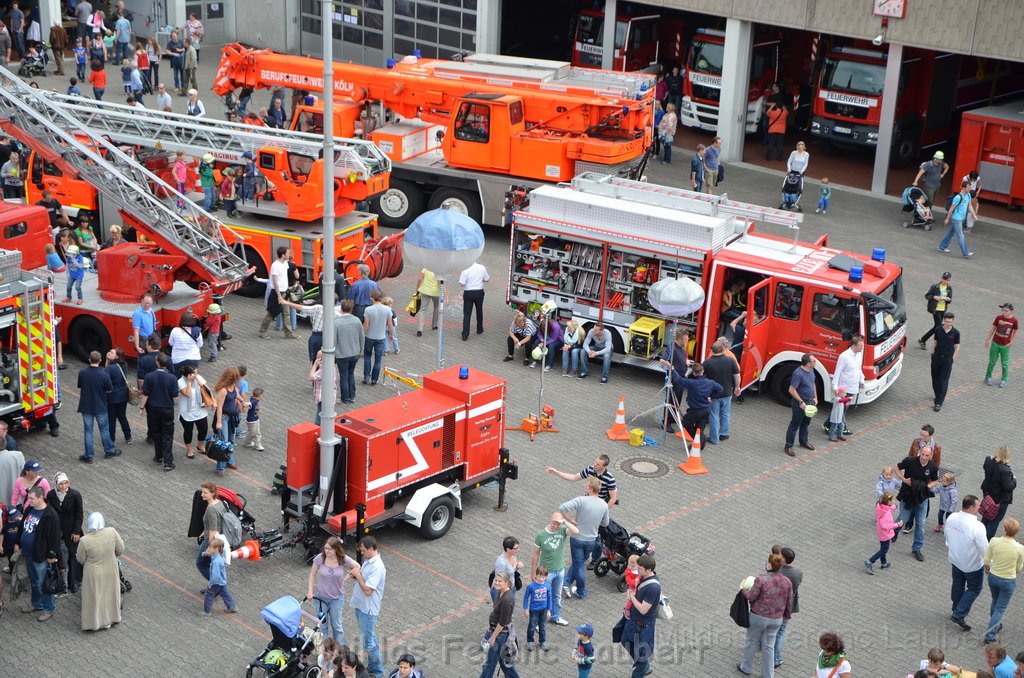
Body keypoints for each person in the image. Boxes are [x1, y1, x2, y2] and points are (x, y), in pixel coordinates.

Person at [738, 552, 792, 678]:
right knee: (769, 646)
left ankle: (745, 667)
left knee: (751, 641)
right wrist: (786, 617)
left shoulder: (761, 579)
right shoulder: (787, 582)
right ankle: (768, 674)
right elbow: (789, 602)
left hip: (758, 617)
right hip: (776, 619)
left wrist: (742, 589)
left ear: (769, 564)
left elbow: (751, 596)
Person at [558, 477, 610, 600]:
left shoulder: (581, 500)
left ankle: (580, 590)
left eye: (586, 485)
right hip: (591, 540)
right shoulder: (603, 505)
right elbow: (605, 523)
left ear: (591, 488)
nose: (584, 486)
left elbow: (562, 507)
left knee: (578, 565)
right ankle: (566, 583)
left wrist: (570, 519)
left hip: (577, 538)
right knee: (579, 562)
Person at [17, 486, 61, 622]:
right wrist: (18, 542)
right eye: (28, 497)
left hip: (41, 556)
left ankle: (49, 609)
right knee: (34, 581)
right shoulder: (30, 509)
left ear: (41, 497)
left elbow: (55, 538)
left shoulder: (51, 516)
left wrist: (51, 556)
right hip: (28, 553)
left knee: (44, 583)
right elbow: (22, 526)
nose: (28, 500)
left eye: (31, 498)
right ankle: (36, 604)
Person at [945, 495, 988, 630]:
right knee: (975, 588)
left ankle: (955, 609)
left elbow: (947, 534)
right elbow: (984, 548)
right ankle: (959, 613)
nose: (979, 508)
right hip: (971, 565)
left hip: (955, 559)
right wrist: (988, 563)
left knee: (958, 584)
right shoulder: (978, 526)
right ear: (971, 508)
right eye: (977, 506)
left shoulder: (952, 518)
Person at [76, 511, 124, 630]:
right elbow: (120, 550)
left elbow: (80, 558)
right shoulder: (111, 532)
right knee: (110, 594)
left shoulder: (85, 540)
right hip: (110, 569)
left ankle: (95, 623)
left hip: (93, 573)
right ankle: (112, 618)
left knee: (94, 597)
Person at [307, 536, 359, 645]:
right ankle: (325, 650)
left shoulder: (343, 559)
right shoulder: (320, 558)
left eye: (330, 549)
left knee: (337, 626)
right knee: (323, 626)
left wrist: (347, 577)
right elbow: (312, 575)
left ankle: (340, 650)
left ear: (336, 549)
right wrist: (310, 592)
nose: (327, 551)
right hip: (320, 598)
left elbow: (357, 566)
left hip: (337, 599)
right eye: (325, 548)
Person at [616, 553, 660, 678]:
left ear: (649, 570)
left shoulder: (653, 588)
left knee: (641, 655)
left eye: (640, 569)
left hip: (643, 626)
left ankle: (641, 668)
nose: (637, 570)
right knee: (625, 641)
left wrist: (632, 597)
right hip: (633, 621)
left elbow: (643, 609)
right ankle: (644, 666)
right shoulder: (642, 577)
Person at [531, 511, 576, 628]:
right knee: (542, 597)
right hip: (546, 572)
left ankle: (555, 617)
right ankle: (537, 622)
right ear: (550, 520)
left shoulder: (562, 530)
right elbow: (535, 554)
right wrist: (533, 571)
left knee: (557, 596)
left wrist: (565, 522)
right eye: (554, 523)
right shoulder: (541, 535)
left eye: (558, 524)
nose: (556, 526)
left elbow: (576, 531)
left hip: (560, 570)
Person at [895, 444, 940, 561]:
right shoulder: (909, 461)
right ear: (919, 452)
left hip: (922, 497)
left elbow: (935, 480)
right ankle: (894, 531)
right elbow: (896, 468)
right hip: (907, 495)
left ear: (931, 455)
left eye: (927, 455)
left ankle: (917, 548)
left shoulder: (933, 467)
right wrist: (903, 479)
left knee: (921, 524)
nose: (924, 457)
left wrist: (926, 487)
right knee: (902, 519)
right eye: (923, 454)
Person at [983, 517, 1024, 645]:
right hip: (1008, 580)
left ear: (1004, 529)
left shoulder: (994, 541)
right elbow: (1019, 567)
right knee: (1000, 608)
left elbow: (986, 560)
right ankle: (990, 635)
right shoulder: (1019, 548)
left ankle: (995, 624)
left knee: (995, 601)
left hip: (993, 577)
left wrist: (987, 569)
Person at [350, 535, 386, 678]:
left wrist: (358, 575)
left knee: (369, 643)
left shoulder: (378, 567)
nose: (362, 553)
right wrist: (356, 576)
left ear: (371, 549)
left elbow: (368, 590)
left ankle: (377, 672)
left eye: (364, 551)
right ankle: (374, 667)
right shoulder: (369, 560)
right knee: (370, 638)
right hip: (361, 606)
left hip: (368, 609)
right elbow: (364, 579)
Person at [45, 472, 84, 595]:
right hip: (58, 530)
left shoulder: (75, 495)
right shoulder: (51, 495)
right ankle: (61, 582)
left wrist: (76, 531)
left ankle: (74, 582)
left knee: (73, 555)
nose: (64, 486)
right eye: (61, 484)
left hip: (72, 530)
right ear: (56, 484)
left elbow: (79, 513)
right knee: (61, 555)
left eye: (66, 483)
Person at [77, 350, 120, 463]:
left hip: (86, 406)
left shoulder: (82, 372)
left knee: (88, 431)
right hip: (100, 406)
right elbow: (109, 389)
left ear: (89, 360)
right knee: (104, 430)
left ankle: (89, 456)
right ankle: (109, 450)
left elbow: (80, 386)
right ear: (100, 360)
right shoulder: (104, 374)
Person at [140, 352, 179, 471]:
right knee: (167, 435)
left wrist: (141, 408)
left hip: (153, 409)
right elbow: (175, 396)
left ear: (157, 362)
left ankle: (158, 456)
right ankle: (168, 462)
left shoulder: (149, 376)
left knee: (156, 433)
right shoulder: (172, 378)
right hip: (167, 409)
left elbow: (145, 394)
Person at [479, 571, 520, 678]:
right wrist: (490, 624)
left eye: (500, 581)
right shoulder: (500, 592)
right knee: (505, 663)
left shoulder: (507, 600)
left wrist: (493, 637)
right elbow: (497, 612)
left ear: (507, 582)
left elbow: (502, 622)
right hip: (498, 632)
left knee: (489, 664)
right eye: (496, 580)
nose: (496, 583)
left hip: (500, 635)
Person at [702, 340, 740, 444]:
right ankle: (724, 433)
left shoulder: (708, 362)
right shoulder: (730, 360)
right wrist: (737, 387)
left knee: (714, 415)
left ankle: (714, 438)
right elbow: (737, 375)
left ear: (712, 350)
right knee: (725, 413)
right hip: (727, 393)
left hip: (714, 395)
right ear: (723, 349)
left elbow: (700, 375)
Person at [830, 335, 864, 437]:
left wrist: (861, 380)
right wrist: (835, 387)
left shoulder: (859, 354)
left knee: (842, 410)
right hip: (845, 388)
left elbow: (859, 369)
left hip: (853, 387)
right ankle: (837, 428)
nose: (862, 348)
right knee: (841, 410)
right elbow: (838, 372)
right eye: (860, 346)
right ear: (854, 345)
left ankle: (834, 426)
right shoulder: (844, 356)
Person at [981, 445, 1016, 541]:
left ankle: (979, 537)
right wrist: (1014, 480)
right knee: (994, 520)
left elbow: (985, 468)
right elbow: (1008, 487)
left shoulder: (988, 460)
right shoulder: (1005, 470)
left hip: (988, 495)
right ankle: (987, 541)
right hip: (999, 500)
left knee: (986, 517)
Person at [212, 367, 242, 476]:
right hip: (223, 418)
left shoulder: (233, 386)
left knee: (231, 441)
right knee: (224, 443)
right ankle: (220, 468)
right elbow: (219, 407)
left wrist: (243, 401)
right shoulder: (223, 390)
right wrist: (219, 422)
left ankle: (230, 461)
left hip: (232, 418)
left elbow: (236, 395)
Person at [334, 299, 365, 404]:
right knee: (351, 374)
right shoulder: (357, 320)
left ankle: (345, 398)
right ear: (351, 309)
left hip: (341, 354)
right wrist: (361, 349)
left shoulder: (336, 322)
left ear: (341, 308)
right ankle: (352, 396)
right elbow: (362, 336)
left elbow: (333, 340)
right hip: (354, 353)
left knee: (343, 376)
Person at [928, 312, 960, 412]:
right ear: (944, 320)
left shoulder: (955, 333)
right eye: (946, 321)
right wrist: (932, 354)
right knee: (935, 378)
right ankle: (938, 395)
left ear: (953, 321)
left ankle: (938, 402)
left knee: (943, 380)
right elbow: (935, 342)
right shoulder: (938, 330)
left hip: (947, 360)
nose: (947, 323)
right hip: (937, 358)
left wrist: (953, 358)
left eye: (950, 322)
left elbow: (957, 346)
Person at [177, 364, 209, 460]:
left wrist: (197, 379)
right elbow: (188, 394)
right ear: (187, 375)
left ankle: (200, 445)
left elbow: (206, 389)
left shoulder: (198, 377)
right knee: (188, 432)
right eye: (193, 373)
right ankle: (189, 449)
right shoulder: (180, 382)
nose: (195, 374)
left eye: (196, 372)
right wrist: (190, 383)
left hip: (200, 410)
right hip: (187, 412)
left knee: (203, 429)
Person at [938, 180, 977, 258]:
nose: (970, 189)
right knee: (960, 236)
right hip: (957, 218)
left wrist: (974, 214)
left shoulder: (968, 195)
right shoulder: (958, 197)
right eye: (969, 188)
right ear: (963, 188)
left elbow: (969, 206)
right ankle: (966, 253)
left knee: (951, 233)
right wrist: (947, 219)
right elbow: (951, 209)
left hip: (961, 218)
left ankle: (942, 247)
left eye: (970, 187)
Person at [865, 492, 902, 574]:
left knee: (883, 548)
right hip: (885, 534)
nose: (894, 501)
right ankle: (870, 561)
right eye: (893, 500)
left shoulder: (882, 507)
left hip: (883, 533)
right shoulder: (884, 514)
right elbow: (885, 526)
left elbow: (889, 509)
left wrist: (894, 507)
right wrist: (897, 524)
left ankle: (884, 563)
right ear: (888, 502)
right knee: (884, 550)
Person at [362, 290, 392, 385]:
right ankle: (374, 379)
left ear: (373, 298)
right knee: (378, 359)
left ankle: (366, 376)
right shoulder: (387, 309)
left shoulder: (368, 309)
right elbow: (390, 324)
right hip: (381, 337)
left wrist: (363, 335)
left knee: (367, 357)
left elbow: (366, 325)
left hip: (369, 337)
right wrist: (392, 335)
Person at [202, 537, 238, 615]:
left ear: (216, 548)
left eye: (210, 547)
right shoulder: (218, 556)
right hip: (222, 581)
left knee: (209, 595)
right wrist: (205, 553)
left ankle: (207, 611)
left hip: (216, 583)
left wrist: (210, 584)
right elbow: (210, 555)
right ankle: (232, 606)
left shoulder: (215, 561)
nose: (208, 548)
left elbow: (215, 575)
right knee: (225, 593)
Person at [985, 303, 1017, 388]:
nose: (1004, 312)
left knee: (1005, 364)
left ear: (1011, 311)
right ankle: (988, 377)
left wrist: (1012, 342)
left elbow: (1016, 331)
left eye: (1006, 311)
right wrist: (988, 339)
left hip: (1005, 346)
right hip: (995, 343)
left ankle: (1004, 380)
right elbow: (993, 328)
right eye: (1003, 310)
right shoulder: (999, 318)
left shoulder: (1014, 321)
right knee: (992, 362)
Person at [919, 272, 953, 349]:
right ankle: (937, 344)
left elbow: (950, 300)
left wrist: (948, 299)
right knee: (939, 326)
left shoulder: (949, 288)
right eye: (944, 279)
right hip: (935, 309)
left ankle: (923, 339)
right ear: (941, 278)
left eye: (947, 280)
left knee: (936, 327)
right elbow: (927, 296)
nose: (945, 281)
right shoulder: (935, 286)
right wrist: (934, 297)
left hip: (943, 309)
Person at [522, 565, 551, 652]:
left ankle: (542, 641)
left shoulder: (547, 586)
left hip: (543, 610)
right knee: (532, 626)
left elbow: (549, 598)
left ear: (546, 577)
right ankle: (530, 641)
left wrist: (549, 610)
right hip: (534, 610)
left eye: (543, 577)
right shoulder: (531, 586)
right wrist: (526, 609)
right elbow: (526, 598)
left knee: (542, 626)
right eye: (539, 576)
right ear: (536, 575)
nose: (541, 579)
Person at [459, 261, 489, 341]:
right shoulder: (482, 267)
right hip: (479, 292)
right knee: (479, 311)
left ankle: (465, 334)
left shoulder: (465, 269)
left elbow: (462, 283)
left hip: (468, 292)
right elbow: (487, 279)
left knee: (467, 314)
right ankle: (479, 329)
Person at [168, 313, 203, 377]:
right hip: (194, 358)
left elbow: (171, 343)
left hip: (178, 359)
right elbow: (200, 345)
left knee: (178, 379)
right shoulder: (197, 332)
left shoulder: (174, 331)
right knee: (192, 377)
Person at [414, 268, 442, 337]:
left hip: (425, 291)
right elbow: (441, 282)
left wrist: (417, 290)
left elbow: (420, 279)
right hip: (435, 292)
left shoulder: (425, 268)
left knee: (423, 310)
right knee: (436, 307)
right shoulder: (439, 270)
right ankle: (434, 325)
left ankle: (420, 330)